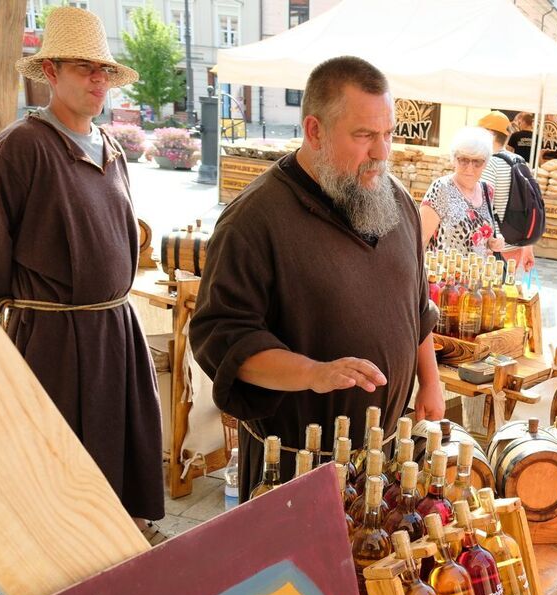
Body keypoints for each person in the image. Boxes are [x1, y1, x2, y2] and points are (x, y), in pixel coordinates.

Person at [190, 56, 444, 502]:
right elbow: (224, 339)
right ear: (314, 130)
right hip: (292, 465)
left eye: (387, 134)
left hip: (383, 457)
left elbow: (416, 304)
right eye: (364, 136)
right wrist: (314, 373)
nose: (381, 152)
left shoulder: (398, 201)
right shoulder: (252, 221)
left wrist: (431, 379)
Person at [0, 7, 166, 544]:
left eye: (103, 70)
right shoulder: (19, 151)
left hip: (115, 332)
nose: (98, 80)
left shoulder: (112, 149)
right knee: (60, 474)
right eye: (83, 68)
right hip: (52, 343)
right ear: (50, 73)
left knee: (119, 457)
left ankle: (126, 541)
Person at [419, 126, 506, 257]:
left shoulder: (487, 190)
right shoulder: (441, 188)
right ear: (454, 160)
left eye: (477, 162)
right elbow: (420, 239)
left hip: (477, 275)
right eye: (464, 160)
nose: (470, 168)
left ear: (486, 163)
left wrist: (494, 241)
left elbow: (480, 234)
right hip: (442, 275)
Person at [478, 111, 535, 274]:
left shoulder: (489, 162)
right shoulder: (519, 161)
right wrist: (527, 247)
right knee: (503, 293)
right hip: (514, 246)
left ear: (488, 134)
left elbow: (482, 206)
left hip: (492, 246)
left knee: (486, 296)